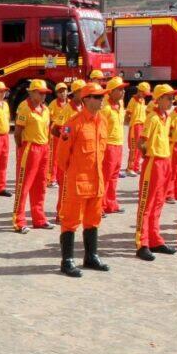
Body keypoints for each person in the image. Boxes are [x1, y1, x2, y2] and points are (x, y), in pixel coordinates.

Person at [56, 83, 111, 277]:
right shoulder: (74, 123)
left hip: (96, 181)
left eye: (102, 96)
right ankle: (67, 260)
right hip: (78, 181)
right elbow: (62, 157)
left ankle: (91, 256)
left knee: (93, 220)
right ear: (86, 99)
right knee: (70, 220)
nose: (101, 99)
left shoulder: (103, 121)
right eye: (97, 96)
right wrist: (74, 173)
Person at [136, 84, 177, 261]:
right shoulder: (153, 118)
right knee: (147, 204)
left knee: (158, 203)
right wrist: (149, 156)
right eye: (168, 98)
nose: (171, 101)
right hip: (154, 162)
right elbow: (141, 142)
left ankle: (155, 239)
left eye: (172, 98)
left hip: (164, 160)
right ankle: (142, 243)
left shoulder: (166, 117)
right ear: (159, 99)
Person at [12, 79, 54, 233]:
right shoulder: (24, 108)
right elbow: (17, 133)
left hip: (44, 148)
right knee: (24, 185)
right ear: (32, 92)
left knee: (40, 185)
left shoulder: (45, 109)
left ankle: (39, 218)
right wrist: (22, 149)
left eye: (45, 93)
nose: (44, 96)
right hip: (30, 148)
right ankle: (19, 220)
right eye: (41, 93)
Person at [51, 79, 86, 220]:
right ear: (76, 93)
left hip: (80, 153)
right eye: (82, 91)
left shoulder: (84, 107)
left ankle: (75, 212)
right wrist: (67, 141)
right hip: (68, 153)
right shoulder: (67, 109)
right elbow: (56, 129)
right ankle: (61, 213)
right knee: (65, 184)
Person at [101, 76, 128, 214]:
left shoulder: (121, 104)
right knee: (105, 177)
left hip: (118, 144)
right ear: (110, 92)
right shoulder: (105, 108)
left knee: (114, 177)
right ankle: (100, 205)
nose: (123, 92)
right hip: (108, 145)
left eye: (123, 89)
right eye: (119, 90)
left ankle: (111, 204)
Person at [125, 82, 152, 177]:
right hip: (135, 126)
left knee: (140, 148)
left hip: (142, 125)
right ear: (139, 91)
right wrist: (128, 124)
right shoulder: (133, 100)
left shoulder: (143, 100)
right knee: (133, 148)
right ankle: (129, 168)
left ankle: (136, 167)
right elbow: (128, 114)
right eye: (144, 93)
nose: (145, 95)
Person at [47, 82, 68, 187]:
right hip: (55, 132)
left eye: (64, 91)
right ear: (56, 93)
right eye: (60, 91)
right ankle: (51, 178)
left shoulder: (69, 104)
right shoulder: (53, 104)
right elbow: (48, 119)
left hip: (66, 132)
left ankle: (60, 177)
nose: (62, 93)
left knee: (63, 155)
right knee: (53, 156)